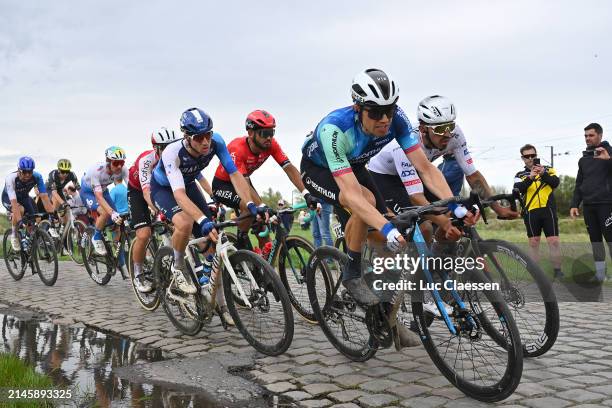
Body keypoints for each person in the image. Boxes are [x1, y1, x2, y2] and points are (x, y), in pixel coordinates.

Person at [300, 68, 463, 347]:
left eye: (389, 109)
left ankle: (383, 314)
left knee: (385, 246)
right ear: (358, 108)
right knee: (366, 204)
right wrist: (387, 227)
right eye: (375, 113)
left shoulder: (397, 120)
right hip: (320, 170)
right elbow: (352, 194)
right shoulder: (334, 129)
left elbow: (425, 168)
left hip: (357, 165)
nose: (384, 119)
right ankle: (351, 273)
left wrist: (454, 205)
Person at [150, 107, 257, 297]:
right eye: (199, 138)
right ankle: (178, 266)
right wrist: (201, 219)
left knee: (211, 238)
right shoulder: (172, 153)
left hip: (189, 184)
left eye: (208, 134)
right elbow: (179, 195)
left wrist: (249, 204)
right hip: (165, 189)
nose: (205, 141)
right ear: (187, 137)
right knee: (185, 222)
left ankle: (214, 294)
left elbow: (234, 174)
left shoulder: (216, 142)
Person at [212, 109, 317, 250]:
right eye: (264, 133)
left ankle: (262, 267)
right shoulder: (237, 149)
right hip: (224, 184)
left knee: (263, 226)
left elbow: (289, 168)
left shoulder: (271, 145)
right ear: (250, 133)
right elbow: (243, 183)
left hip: (245, 182)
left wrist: (306, 193)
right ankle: (241, 239)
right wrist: (261, 206)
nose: (269, 138)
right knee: (250, 209)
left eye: (271, 133)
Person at [127, 127, 180, 293]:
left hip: (163, 188)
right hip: (138, 191)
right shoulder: (146, 160)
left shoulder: (176, 157)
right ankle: (138, 273)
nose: (169, 150)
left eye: (172, 145)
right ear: (156, 148)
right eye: (164, 147)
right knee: (144, 234)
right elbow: (146, 192)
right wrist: (159, 210)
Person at [570, 123, 612, 282]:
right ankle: (601, 275)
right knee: (595, 240)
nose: (588, 138)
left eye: (591, 135)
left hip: (607, 204)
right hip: (589, 206)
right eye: (586, 136)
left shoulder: (610, 152)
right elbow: (579, 183)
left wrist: (608, 160)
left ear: (600, 135)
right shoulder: (584, 159)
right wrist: (574, 204)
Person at [513, 144, 562, 279]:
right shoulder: (519, 175)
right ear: (522, 158)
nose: (530, 158)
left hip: (548, 210)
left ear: (536, 155)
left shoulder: (548, 169)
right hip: (530, 212)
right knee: (534, 243)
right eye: (527, 156)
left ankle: (558, 271)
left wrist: (543, 174)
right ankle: (537, 274)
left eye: (533, 156)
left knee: (554, 241)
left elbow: (555, 182)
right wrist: (530, 178)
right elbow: (517, 190)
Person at [81, 146, 129, 255]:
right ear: (108, 162)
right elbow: (98, 196)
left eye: (122, 162)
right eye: (116, 163)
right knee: (105, 212)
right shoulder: (96, 171)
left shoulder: (123, 169)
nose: (119, 166)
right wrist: (111, 212)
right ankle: (96, 237)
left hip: (103, 190)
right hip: (88, 192)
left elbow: (131, 189)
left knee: (119, 219)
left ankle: (118, 256)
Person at [2, 157, 54, 251]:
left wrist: (52, 214)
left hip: (24, 197)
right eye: (24, 172)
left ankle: (28, 243)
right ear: (19, 170)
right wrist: (19, 222)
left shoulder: (37, 177)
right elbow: (14, 204)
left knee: (34, 218)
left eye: (30, 172)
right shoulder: (11, 178)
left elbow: (45, 197)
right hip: (10, 198)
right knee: (20, 210)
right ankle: (14, 235)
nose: (27, 175)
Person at [46, 159, 81, 236]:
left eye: (67, 171)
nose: (65, 174)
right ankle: (52, 222)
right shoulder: (53, 174)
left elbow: (79, 189)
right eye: (62, 171)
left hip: (59, 191)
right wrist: (63, 203)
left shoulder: (72, 175)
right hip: (49, 190)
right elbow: (54, 193)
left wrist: (84, 201)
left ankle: (62, 232)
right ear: (58, 170)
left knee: (65, 216)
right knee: (57, 200)